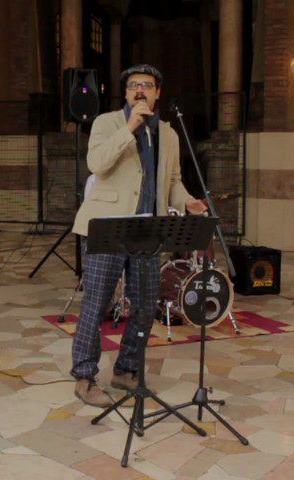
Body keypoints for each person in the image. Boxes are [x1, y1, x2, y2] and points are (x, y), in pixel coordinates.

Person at [70, 64, 207, 407]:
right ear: (126, 94)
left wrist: (187, 201)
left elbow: (172, 181)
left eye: (147, 85)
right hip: (108, 224)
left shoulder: (169, 134)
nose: (140, 90)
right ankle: (85, 377)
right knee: (96, 304)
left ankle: (126, 369)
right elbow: (97, 164)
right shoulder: (107, 123)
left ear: (158, 92)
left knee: (146, 305)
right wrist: (129, 128)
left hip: (148, 229)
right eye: (133, 85)